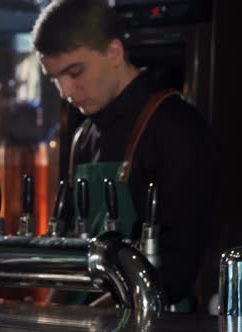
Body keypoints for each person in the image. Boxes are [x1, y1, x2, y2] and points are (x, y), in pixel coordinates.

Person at [31, 0, 214, 310]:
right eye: (55, 79)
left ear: (114, 52)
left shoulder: (175, 126)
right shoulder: (83, 137)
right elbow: (69, 251)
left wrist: (90, 318)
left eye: (74, 72)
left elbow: (177, 269)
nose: (65, 91)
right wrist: (46, 313)